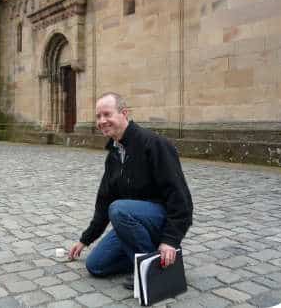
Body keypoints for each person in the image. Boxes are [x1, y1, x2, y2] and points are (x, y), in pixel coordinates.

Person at [68, 92, 193, 288]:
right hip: (131, 222)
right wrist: (85, 240)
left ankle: (150, 267)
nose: (102, 121)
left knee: (119, 209)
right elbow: (104, 201)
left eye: (107, 114)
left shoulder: (154, 144)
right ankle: (146, 254)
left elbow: (181, 199)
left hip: (158, 219)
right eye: (98, 116)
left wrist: (170, 240)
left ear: (124, 113)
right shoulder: (114, 154)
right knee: (96, 266)